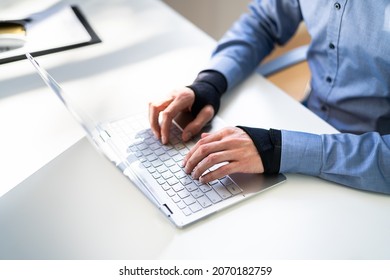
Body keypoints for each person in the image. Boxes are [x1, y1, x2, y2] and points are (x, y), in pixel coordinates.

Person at [149, 0, 390, 194]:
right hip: (307, 123)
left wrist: (277, 149)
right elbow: (263, 22)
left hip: (370, 170)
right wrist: (211, 82)